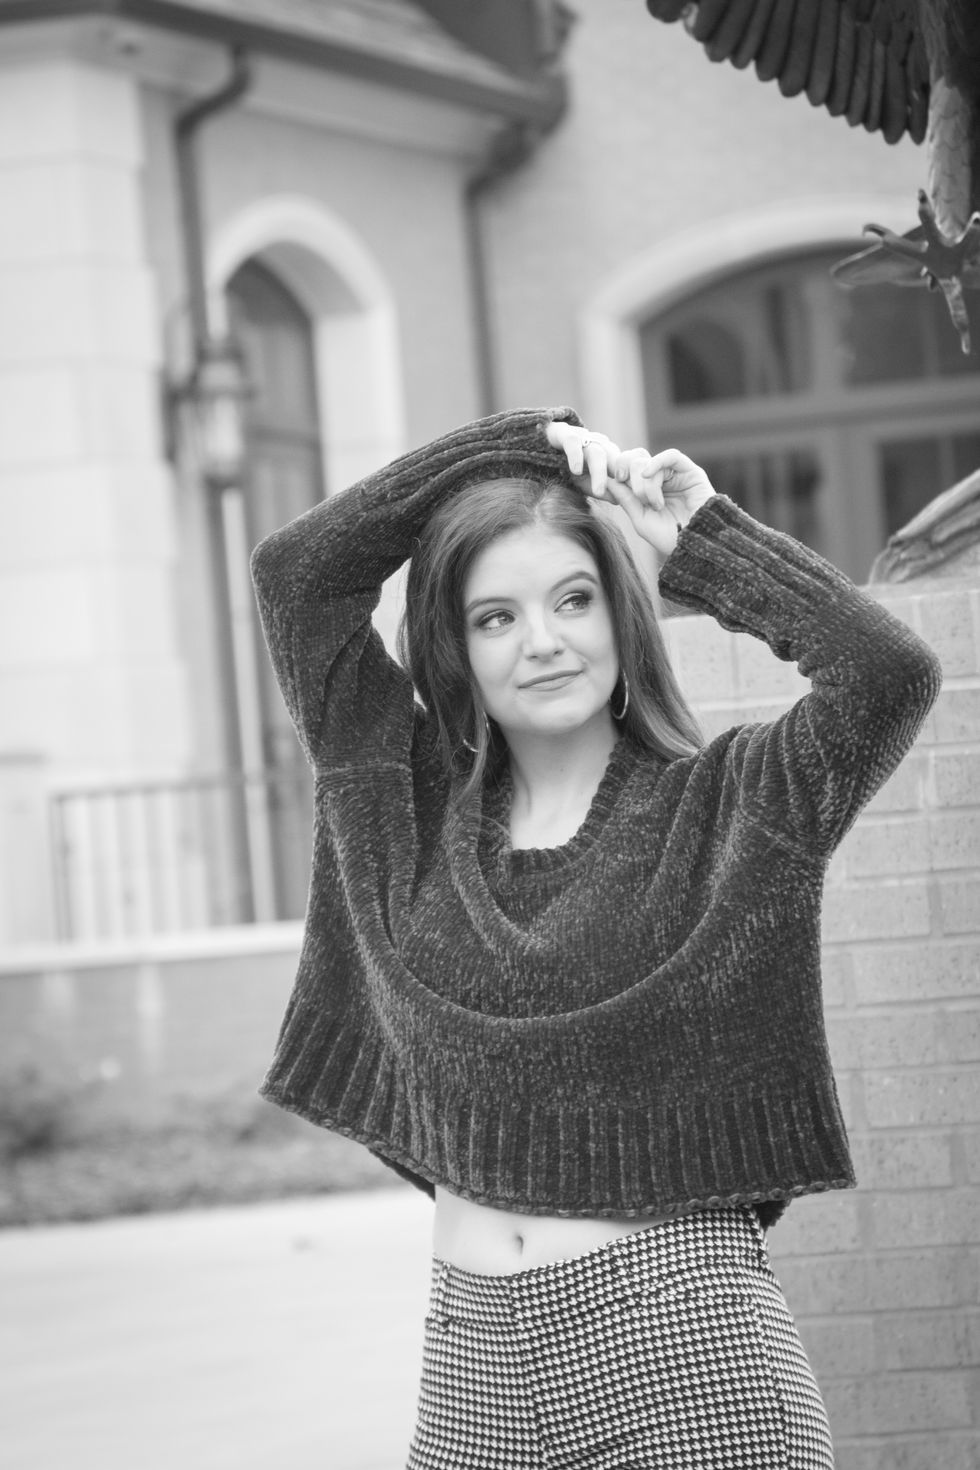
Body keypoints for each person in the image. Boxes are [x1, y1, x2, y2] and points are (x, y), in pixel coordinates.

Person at [250, 407, 941, 1469]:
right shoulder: (397, 798)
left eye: (574, 599)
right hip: (470, 1372)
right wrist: (525, 441)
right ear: (454, 649)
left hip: (684, 1353)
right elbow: (298, 577)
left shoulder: (736, 807)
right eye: (495, 617)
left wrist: (701, 537)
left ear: (621, 614)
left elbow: (886, 675)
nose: (543, 640)